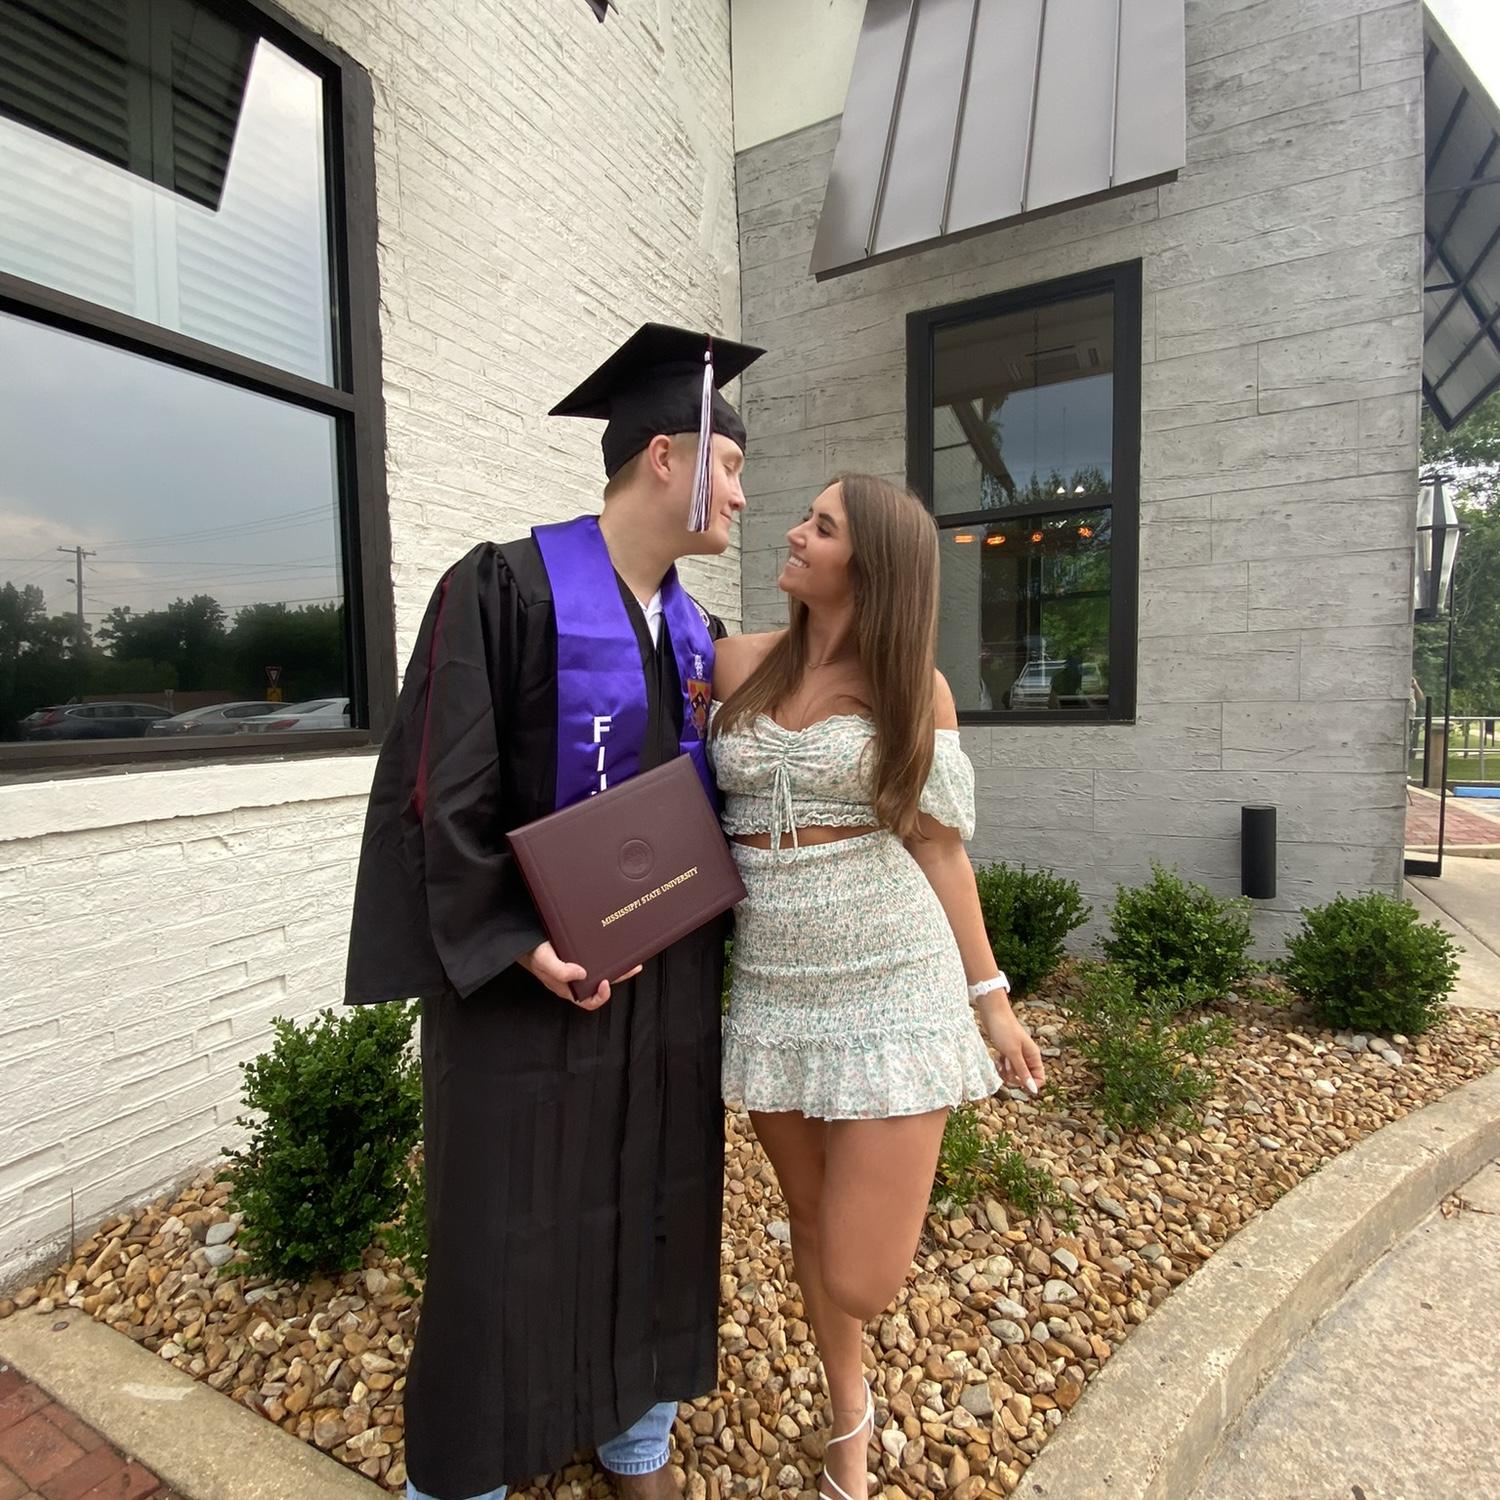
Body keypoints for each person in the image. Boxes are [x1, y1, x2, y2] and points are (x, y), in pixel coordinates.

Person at [344, 323, 763, 1500]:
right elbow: (439, 790)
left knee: (654, 1200)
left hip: (662, 984)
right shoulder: (503, 590)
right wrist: (519, 941)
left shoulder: (699, 635)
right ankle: (470, 1471)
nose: (740, 494)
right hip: (524, 992)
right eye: (731, 467)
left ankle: (634, 1437)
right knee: (505, 1226)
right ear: (666, 458)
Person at [708, 474, 1046, 1500]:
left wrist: (990, 999)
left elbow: (940, 852)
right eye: (806, 519)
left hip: (893, 982)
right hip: (772, 985)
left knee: (861, 1271)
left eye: (822, 527)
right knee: (808, 1222)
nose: (796, 534)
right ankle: (848, 1421)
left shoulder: (914, 692)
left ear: (873, 565)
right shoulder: (735, 664)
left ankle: (851, 1393)